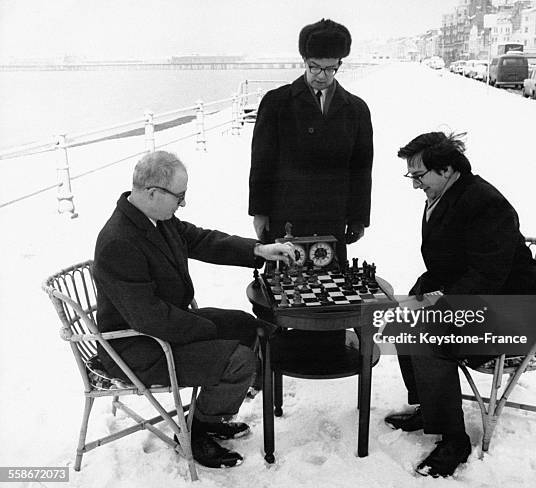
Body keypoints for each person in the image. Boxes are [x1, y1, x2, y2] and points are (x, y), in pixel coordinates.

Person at [93, 150, 295, 469]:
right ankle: (194, 431)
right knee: (239, 361)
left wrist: (258, 251)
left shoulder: (157, 218)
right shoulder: (119, 241)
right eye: (180, 196)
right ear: (152, 193)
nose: (183, 203)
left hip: (167, 326)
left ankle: (210, 415)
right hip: (140, 347)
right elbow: (150, 318)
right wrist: (207, 331)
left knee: (247, 326)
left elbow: (202, 240)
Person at [384, 132, 536, 478]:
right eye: (410, 176)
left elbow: (488, 275)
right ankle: (430, 408)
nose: (414, 185)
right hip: (484, 302)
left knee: (429, 337)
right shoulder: (445, 196)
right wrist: (417, 296)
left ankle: (454, 441)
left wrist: (440, 306)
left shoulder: (485, 203)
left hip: (517, 318)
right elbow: (446, 266)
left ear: (445, 169)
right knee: (403, 319)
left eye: (419, 176)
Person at [248, 18, 373, 265]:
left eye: (330, 69)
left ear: (340, 64)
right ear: (304, 61)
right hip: (287, 213)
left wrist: (358, 218)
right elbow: (262, 162)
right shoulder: (276, 103)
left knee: (332, 286)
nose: (321, 76)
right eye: (314, 67)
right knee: (284, 286)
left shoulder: (356, 109)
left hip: (333, 215)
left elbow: (361, 168)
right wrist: (259, 212)